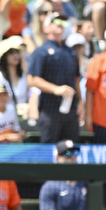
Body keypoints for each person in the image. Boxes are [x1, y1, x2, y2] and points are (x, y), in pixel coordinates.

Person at [27, 13, 83, 143]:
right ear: (46, 28)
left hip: (71, 109)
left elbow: (76, 79)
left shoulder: (71, 52)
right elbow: (32, 79)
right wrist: (56, 89)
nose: (60, 25)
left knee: (71, 149)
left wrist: (81, 102)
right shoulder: (40, 51)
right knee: (49, 151)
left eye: (63, 22)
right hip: (49, 109)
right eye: (56, 21)